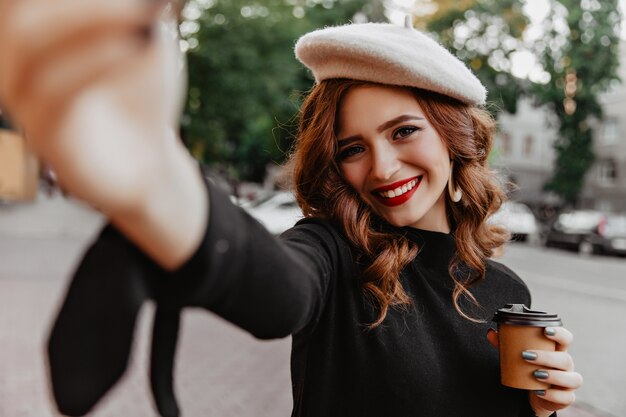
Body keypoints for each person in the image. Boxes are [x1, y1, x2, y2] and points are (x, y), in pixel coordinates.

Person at [0, 1, 583, 416]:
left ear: (455, 140)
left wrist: (542, 407)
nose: (380, 168)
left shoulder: (506, 291)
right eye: (353, 148)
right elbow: (279, 290)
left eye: (404, 131)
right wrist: (155, 182)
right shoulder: (331, 251)